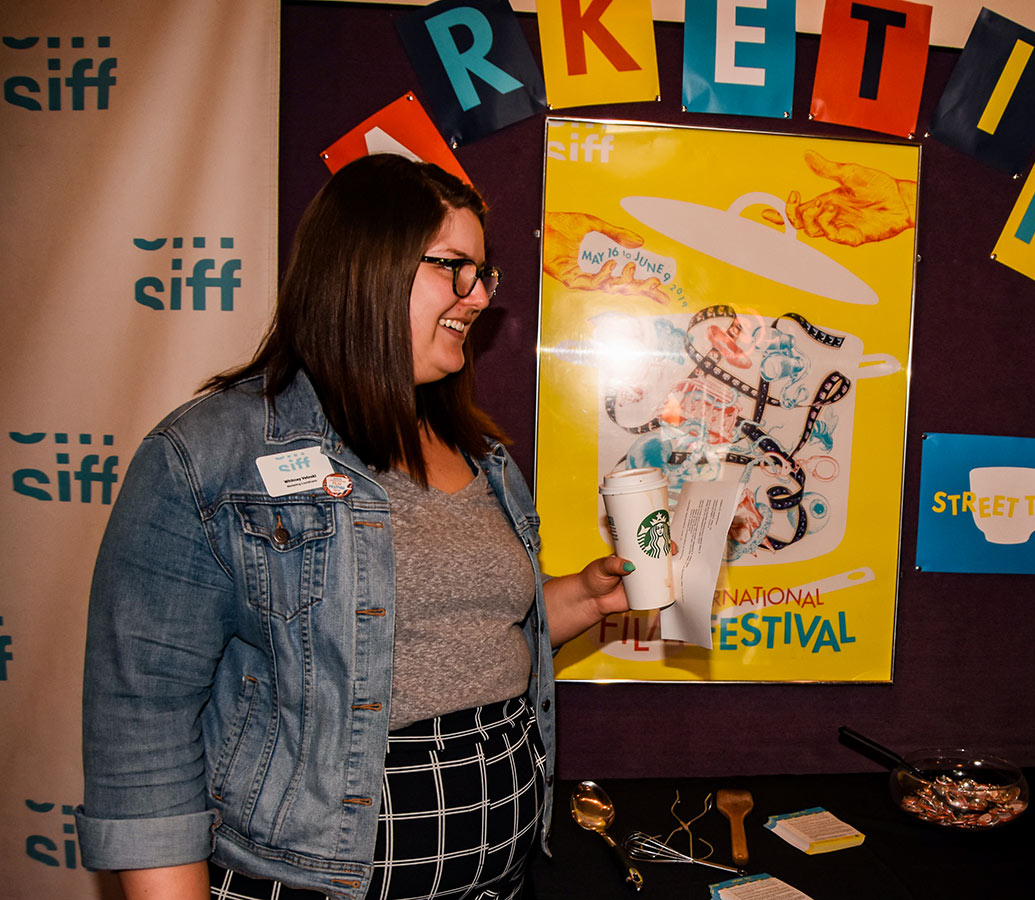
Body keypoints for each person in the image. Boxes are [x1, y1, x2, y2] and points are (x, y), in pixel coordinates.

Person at [76, 154, 631, 900]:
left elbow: (460, 636)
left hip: (499, 878)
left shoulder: (480, 454)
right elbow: (141, 721)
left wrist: (584, 600)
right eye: (456, 269)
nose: (479, 297)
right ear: (367, 266)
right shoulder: (212, 455)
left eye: (483, 274)